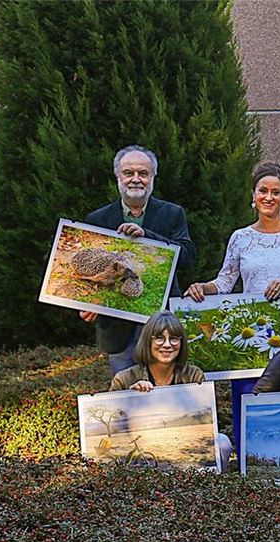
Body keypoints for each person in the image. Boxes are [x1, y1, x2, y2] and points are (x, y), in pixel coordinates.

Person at [184, 161, 280, 448]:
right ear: (254, 194)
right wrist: (202, 288)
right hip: (248, 323)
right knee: (249, 390)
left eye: (276, 192)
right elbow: (224, 282)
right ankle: (249, 458)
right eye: (263, 191)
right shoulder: (240, 237)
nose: (269, 197)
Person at [81, 145, 196, 374]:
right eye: (128, 173)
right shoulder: (98, 219)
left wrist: (147, 237)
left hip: (162, 325)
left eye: (143, 173)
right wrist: (85, 302)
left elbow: (187, 258)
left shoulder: (172, 213)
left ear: (153, 176)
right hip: (117, 328)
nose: (136, 179)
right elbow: (88, 269)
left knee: (166, 395)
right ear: (117, 176)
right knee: (127, 396)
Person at [108, 311, 232, 467]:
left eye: (173, 339)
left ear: (181, 343)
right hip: (138, 447)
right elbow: (114, 429)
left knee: (223, 442)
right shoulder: (124, 378)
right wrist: (129, 399)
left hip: (184, 444)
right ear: (148, 341)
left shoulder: (193, 375)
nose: (167, 345)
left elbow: (207, 423)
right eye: (159, 338)